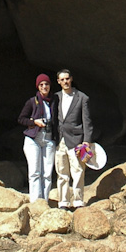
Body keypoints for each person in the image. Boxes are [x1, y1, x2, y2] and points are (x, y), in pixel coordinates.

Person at [53, 67, 93, 209]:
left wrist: (86, 141)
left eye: (67, 79)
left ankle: (77, 201)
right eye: (62, 79)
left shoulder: (82, 97)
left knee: (78, 171)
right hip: (59, 140)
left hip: (76, 140)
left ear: (71, 79)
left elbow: (86, 121)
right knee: (62, 172)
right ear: (58, 81)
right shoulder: (55, 97)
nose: (65, 82)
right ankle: (63, 202)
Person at [18, 73, 56, 203]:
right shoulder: (32, 101)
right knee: (35, 172)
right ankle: (35, 202)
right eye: (41, 84)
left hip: (49, 139)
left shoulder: (55, 101)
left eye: (46, 84)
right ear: (38, 87)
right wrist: (34, 122)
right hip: (33, 139)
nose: (44, 86)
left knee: (47, 173)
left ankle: (44, 202)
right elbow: (21, 119)